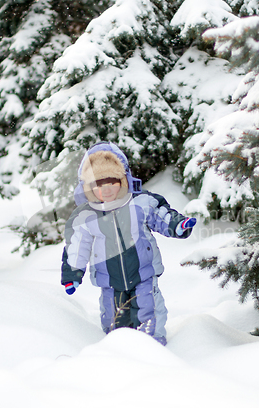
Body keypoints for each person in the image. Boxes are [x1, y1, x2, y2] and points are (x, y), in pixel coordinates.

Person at [61, 141, 196, 345]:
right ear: (89, 186)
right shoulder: (86, 216)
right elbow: (77, 246)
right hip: (109, 281)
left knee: (149, 312)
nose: (106, 189)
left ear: (123, 180)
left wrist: (178, 225)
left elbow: (162, 216)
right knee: (113, 321)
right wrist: (73, 273)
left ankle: (153, 346)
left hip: (142, 274)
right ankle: (119, 350)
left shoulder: (140, 203)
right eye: (99, 183)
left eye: (112, 181)